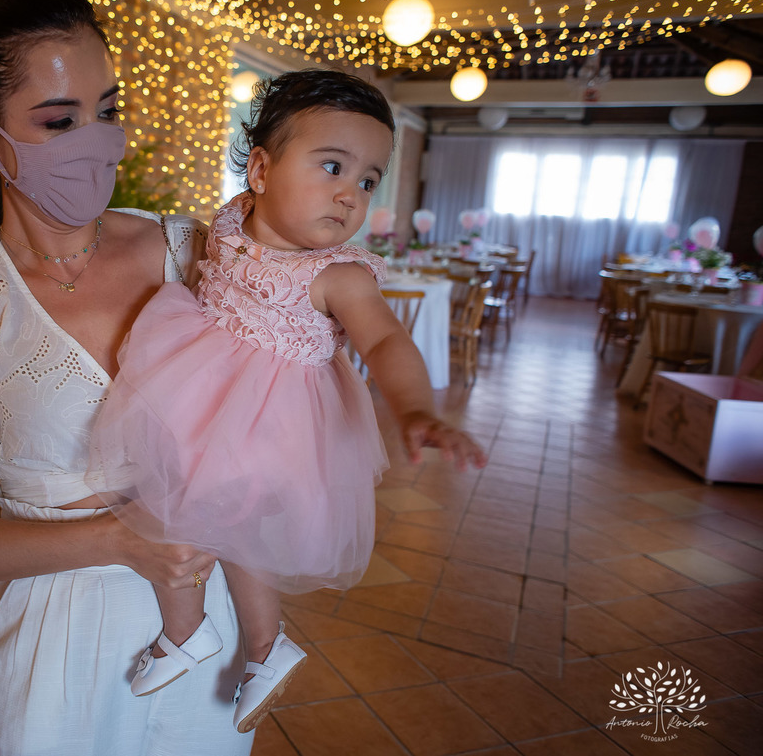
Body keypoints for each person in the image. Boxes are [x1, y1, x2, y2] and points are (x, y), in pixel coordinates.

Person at [0, 0, 253, 756]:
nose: (97, 139)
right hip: (57, 647)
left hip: (208, 626)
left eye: (106, 111)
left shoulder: (197, 251)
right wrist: (120, 537)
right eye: (59, 120)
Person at [87, 69, 488, 733]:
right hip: (204, 387)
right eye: (332, 165)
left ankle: (243, 645)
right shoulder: (229, 221)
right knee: (172, 505)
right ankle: (224, 641)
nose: (349, 195)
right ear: (262, 170)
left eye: (366, 179)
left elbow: (387, 340)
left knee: (214, 524)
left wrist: (415, 408)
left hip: (273, 419)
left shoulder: (338, 275)